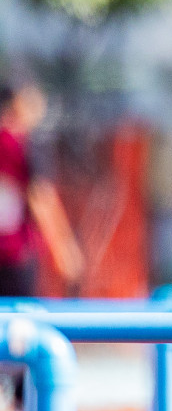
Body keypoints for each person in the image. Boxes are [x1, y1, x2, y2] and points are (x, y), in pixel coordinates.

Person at [0, 77, 84, 296]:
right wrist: (64, 249)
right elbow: (41, 198)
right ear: (19, 102)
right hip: (14, 255)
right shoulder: (21, 145)